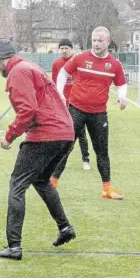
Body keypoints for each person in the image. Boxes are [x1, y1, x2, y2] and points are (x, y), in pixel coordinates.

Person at [0, 38, 75, 261]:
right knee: (41, 181)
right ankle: (65, 228)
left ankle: (14, 246)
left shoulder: (18, 72)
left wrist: (9, 136)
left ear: (2, 59)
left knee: (17, 185)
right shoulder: (29, 67)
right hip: (65, 134)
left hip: (47, 134)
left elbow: (28, 110)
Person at [51, 27, 127, 200]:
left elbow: (121, 83)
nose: (97, 43)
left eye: (100, 40)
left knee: (102, 151)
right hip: (76, 110)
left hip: (99, 114)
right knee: (65, 147)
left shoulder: (114, 64)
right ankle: (52, 183)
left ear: (108, 42)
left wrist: (123, 97)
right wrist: (60, 93)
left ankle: (107, 189)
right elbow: (63, 73)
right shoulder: (80, 58)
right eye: (94, 40)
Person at [51, 39, 91, 177]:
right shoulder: (56, 64)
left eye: (66, 48)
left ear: (71, 49)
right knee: (62, 132)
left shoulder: (78, 62)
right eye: (61, 48)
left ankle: (85, 159)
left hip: (77, 102)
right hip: (62, 103)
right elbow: (54, 83)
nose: (64, 50)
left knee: (80, 132)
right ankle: (59, 160)